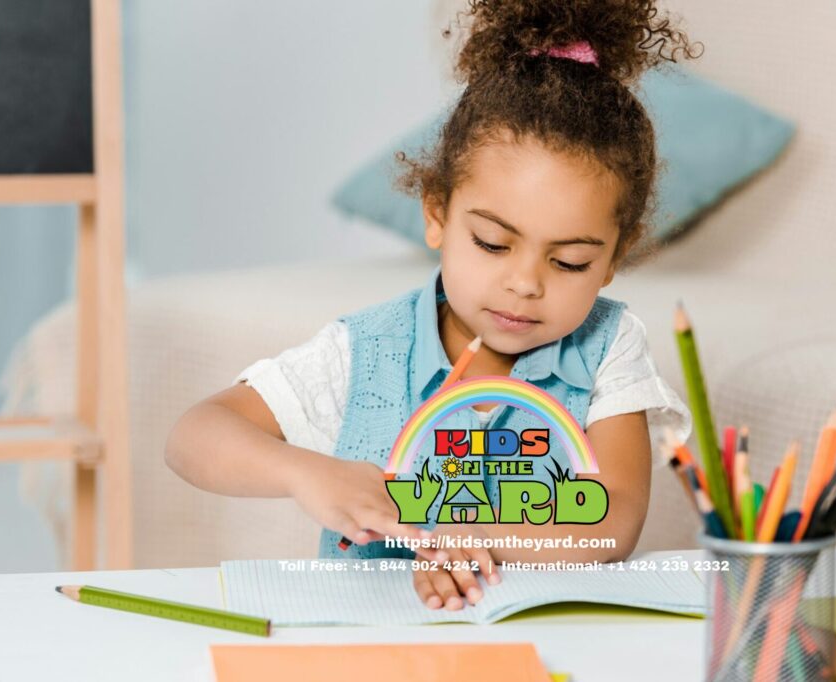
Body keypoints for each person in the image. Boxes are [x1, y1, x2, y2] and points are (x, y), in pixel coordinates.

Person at [166, 0, 700, 612]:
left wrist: (453, 534)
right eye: (493, 244)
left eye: (570, 262)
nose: (524, 284)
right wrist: (306, 474)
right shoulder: (365, 351)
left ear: (613, 257)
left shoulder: (609, 345)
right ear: (437, 214)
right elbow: (193, 437)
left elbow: (615, 519)